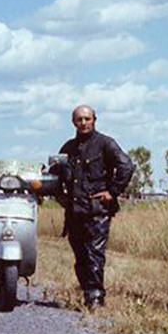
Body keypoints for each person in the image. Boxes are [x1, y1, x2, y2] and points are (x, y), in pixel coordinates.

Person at [56, 105, 134, 309]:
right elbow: (54, 175)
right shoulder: (68, 148)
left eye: (87, 119)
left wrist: (112, 192)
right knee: (80, 256)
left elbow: (127, 166)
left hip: (97, 211)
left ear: (94, 120)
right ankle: (87, 293)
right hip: (74, 213)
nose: (83, 123)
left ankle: (96, 298)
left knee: (94, 254)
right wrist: (60, 198)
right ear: (73, 122)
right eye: (79, 120)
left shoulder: (105, 143)